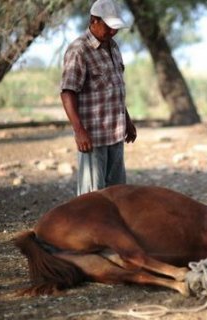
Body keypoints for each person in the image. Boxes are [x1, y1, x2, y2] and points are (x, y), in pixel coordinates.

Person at [60, 0, 136, 195]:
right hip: (93, 137)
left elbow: (115, 88)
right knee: (93, 197)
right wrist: (79, 131)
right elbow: (68, 92)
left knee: (118, 194)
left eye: (115, 28)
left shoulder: (113, 47)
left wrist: (127, 121)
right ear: (94, 21)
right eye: (109, 27)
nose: (113, 32)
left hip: (116, 133)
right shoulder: (79, 50)